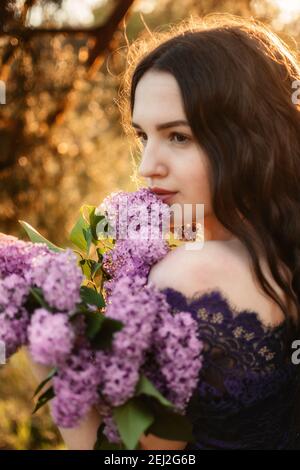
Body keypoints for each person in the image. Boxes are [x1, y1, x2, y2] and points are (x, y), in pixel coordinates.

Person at [26, 13, 300, 449]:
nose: (147, 167)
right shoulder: (279, 251)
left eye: (178, 137)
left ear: (249, 139)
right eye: (143, 137)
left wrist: (44, 337)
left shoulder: (193, 273)